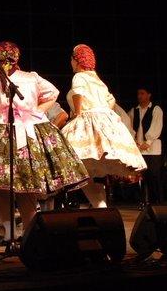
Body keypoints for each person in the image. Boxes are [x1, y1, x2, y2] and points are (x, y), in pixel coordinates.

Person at [0, 41, 89, 243]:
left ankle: (16, 231)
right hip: (9, 129)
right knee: (19, 182)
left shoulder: (2, 77)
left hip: (15, 129)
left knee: (9, 184)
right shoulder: (19, 77)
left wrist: (36, 111)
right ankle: (22, 231)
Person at [61, 44, 147, 208]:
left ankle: (99, 204)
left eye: (72, 59)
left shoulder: (79, 76)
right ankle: (100, 205)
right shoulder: (97, 79)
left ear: (77, 60)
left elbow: (78, 94)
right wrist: (103, 113)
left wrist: (78, 113)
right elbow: (110, 100)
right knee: (87, 166)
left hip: (88, 120)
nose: (71, 63)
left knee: (75, 163)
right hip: (104, 120)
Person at [127, 87, 164, 203]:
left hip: (153, 150)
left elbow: (156, 126)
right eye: (138, 93)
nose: (139, 96)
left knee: (153, 176)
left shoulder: (155, 109)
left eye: (142, 93)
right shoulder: (134, 111)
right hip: (139, 150)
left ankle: (156, 203)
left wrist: (148, 142)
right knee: (141, 177)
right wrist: (133, 140)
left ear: (149, 95)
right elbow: (128, 125)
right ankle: (143, 201)